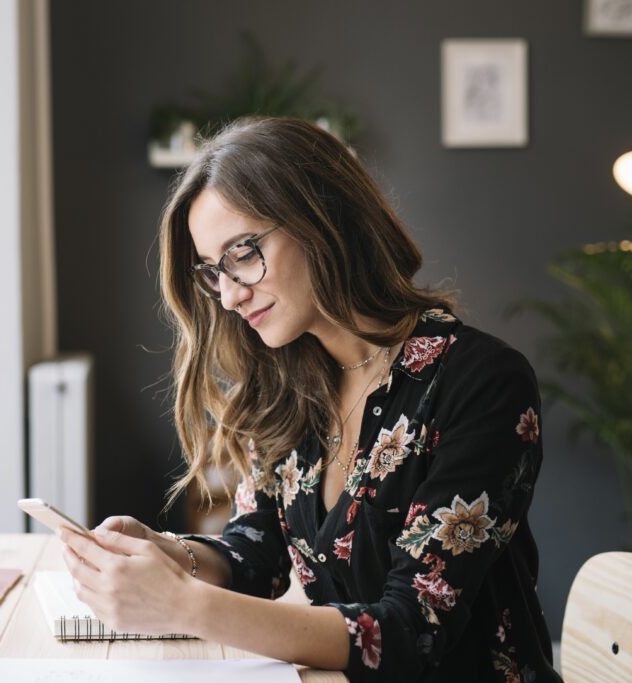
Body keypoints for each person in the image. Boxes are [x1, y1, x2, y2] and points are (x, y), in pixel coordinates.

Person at [57, 117, 561, 682]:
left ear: (322, 219)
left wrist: (181, 603)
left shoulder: (482, 382)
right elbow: (260, 556)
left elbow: (411, 634)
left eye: (242, 254)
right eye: (212, 272)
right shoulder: (283, 386)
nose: (228, 295)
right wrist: (175, 555)